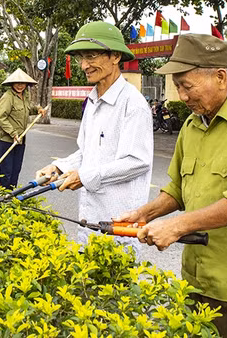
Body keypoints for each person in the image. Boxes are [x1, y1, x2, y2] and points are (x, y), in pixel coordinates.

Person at [116, 33, 227, 337]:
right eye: (178, 86)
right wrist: (146, 213)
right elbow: (178, 188)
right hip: (194, 278)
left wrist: (177, 226)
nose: (181, 96)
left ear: (220, 77)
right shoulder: (191, 127)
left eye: (187, 86)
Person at [35, 21, 153, 253]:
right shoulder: (92, 100)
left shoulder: (133, 104)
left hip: (120, 223)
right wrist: (58, 167)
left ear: (115, 56)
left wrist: (86, 177)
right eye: (81, 58)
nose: (84, 65)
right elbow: (87, 152)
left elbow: (137, 161)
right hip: (89, 220)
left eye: (91, 56)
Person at [0, 68, 46, 189]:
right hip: (7, 140)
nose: (20, 85)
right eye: (17, 83)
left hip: (21, 138)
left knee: (16, 170)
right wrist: (13, 134)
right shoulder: (7, 97)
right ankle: (4, 197)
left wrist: (38, 109)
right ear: (12, 83)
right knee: (6, 173)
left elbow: (30, 107)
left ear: (26, 84)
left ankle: (12, 195)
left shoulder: (25, 96)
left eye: (22, 83)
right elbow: (2, 118)